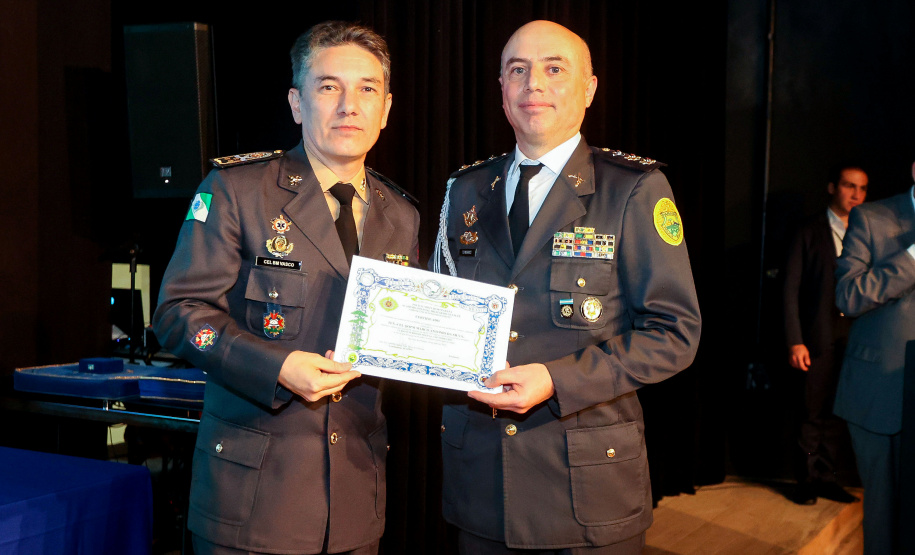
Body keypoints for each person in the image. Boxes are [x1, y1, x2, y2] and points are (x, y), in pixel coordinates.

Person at [430, 20, 701, 554]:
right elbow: (442, 313)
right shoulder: (465, 189)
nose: (534, 84)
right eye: (518, 70)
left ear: (589, 88)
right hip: (481, 486)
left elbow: (675, 334)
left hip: (587, 493)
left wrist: (556, 380)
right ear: (502, 91)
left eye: (555, 69)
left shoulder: (634, 190)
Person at [153, 21, 419, 555]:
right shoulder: (237, 190)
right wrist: (275, 368)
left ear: (386, 109)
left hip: (354, 500)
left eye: (367, 89)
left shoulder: (402, 215)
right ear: (297, 103)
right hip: (252, 501)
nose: (349, 105)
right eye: (328, 87)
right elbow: (179, 313)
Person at [834, 162, 915, 554]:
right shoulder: (872, 217)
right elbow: (848, 296)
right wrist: (912, 257)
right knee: (884, 513)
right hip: (882, 391)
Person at [782, 164, 868, 505]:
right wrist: (794, 339)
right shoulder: (808, 231)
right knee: (811, 411)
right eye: (849, 186)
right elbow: (789, 288)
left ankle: (826, 478)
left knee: (838, 412)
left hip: (854, 337)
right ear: (833, 187)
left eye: (862, 188)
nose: (856, 194)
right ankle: (805, 479)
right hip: (816, 336)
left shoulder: (867, 232)